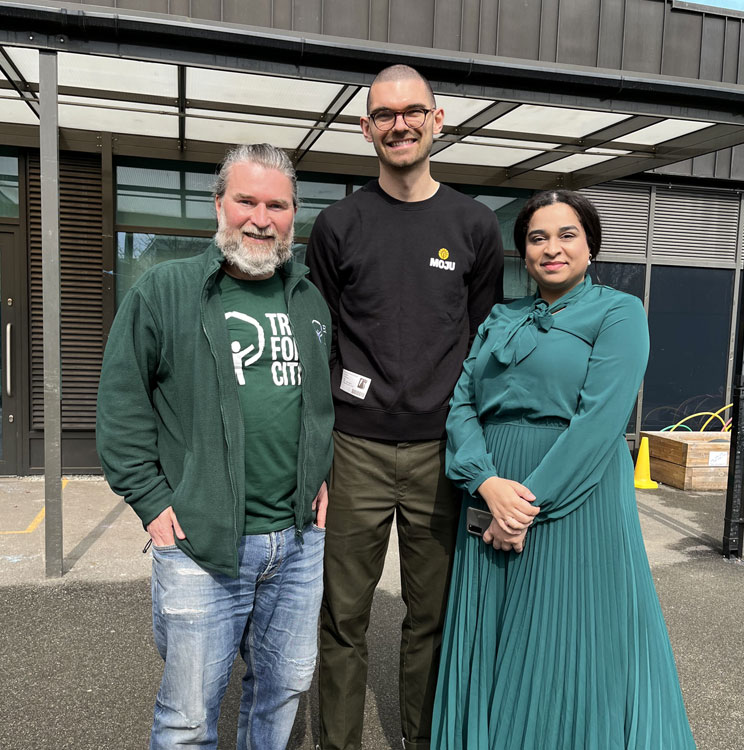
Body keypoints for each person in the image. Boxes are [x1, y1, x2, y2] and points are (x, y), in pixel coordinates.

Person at [431, 189, 696, 749]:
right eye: (537, 238)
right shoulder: (501, 315)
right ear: (523, 252)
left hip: (574, 493)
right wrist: (485, 483)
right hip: (492, 489)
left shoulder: (620, 312)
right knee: (493, 633)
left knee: (570, 637)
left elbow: (600, 420)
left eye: (566, 234)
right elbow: (461, 404)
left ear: (590, 245)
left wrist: (523, 505)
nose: (552, 248)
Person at [96, 143, 335, 750]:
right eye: (246, 201)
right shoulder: (164, 291)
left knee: (281, 691)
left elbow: (315, 405)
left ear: (293, 213)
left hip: (298, 543)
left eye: (276, 205)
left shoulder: (308, 299)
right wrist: (152, 503)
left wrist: (320, 476)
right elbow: (122, 408)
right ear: (219, 206)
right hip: (201, 540)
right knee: (188, 718)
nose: (261, 218)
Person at [306, 64, 504, 750]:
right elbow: (320, 342)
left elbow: (480, 343)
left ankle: (421, 739)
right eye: (385, 115)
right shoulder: (337, 225)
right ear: (366, 129)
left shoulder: (475, 226)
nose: (400, 124)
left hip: (439, 450)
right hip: (354, 448)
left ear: (437, 120)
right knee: (342, 618)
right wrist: (321, 456)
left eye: (412, 111)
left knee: (433, 617)